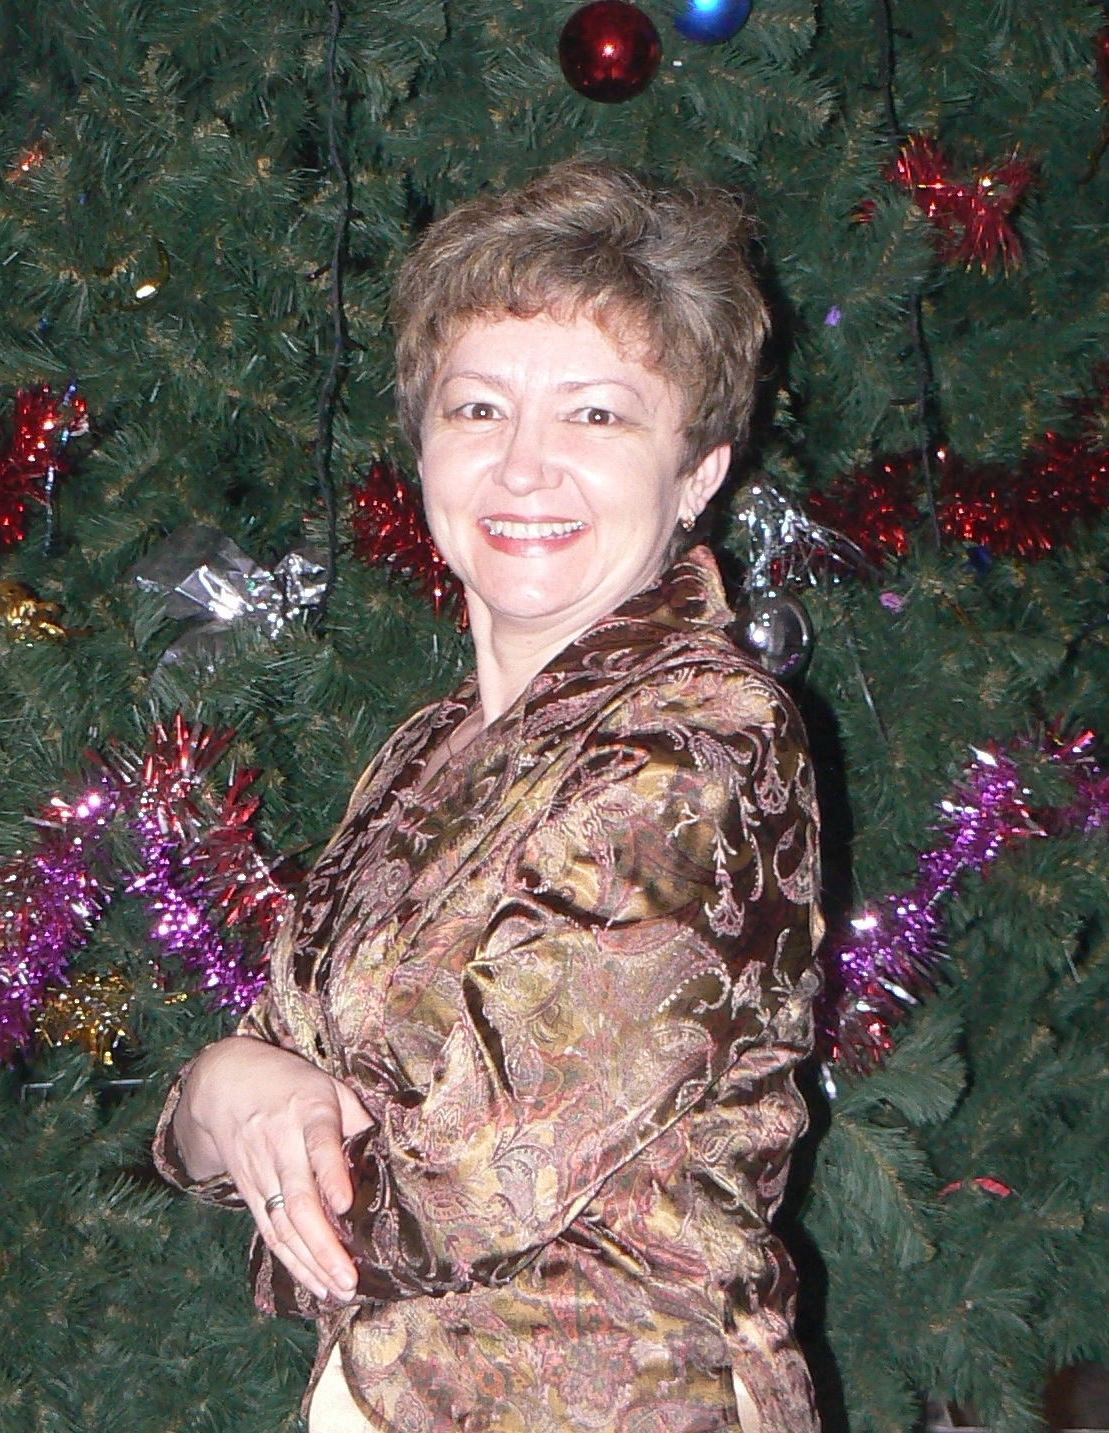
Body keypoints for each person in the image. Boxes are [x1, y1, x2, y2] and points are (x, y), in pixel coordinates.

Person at [154, 159, 824, 1433]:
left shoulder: (698, 746)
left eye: (595, 415)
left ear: (695, 472)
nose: (524, 468)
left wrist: (241, 1114)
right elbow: (261, 1086)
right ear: (423, 449)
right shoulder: (430, 748)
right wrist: (222, 1088)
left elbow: (468, 1179)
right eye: (477, 408)